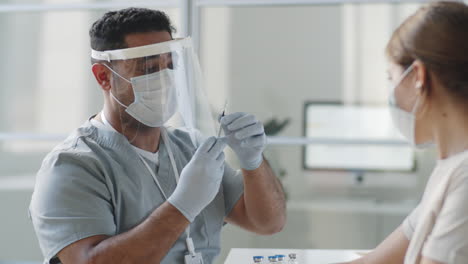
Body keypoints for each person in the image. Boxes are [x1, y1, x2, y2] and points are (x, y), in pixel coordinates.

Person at [29, 7, 286, 264]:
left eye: (170, 66)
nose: (165, 79)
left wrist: (253, 162)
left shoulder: (192, 148)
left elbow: (268, 223)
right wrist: (182, 206)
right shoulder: (72, 166)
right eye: (150, 68)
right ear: (104, 77)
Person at [346, 1, 468, 264]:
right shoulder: (449, 171)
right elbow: (373, 262)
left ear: (418, 76)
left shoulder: (465, 177)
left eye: (392, 78)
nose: (390, 94)